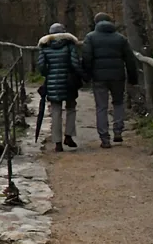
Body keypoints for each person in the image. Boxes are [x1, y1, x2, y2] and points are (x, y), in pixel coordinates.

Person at [82, 12, 139, 148]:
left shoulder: (90, 38)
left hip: (98, 77)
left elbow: (87, 58)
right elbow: (130, 59)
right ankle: (118, 130)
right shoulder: (120, 38)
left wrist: (86, 75)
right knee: (118, 103)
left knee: (101, 106)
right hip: (118, 76)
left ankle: (104, 137)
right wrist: (133, 77)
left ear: (96, 23)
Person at [37, 22, 82, 152]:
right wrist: (79, 75)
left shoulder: (45, 47)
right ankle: (68, 135)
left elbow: (41, 67)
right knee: (71, 108)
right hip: (69, 82)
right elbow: (75, 63)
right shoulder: (69, 45)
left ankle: (57, 142)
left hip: (52, 82)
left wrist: (48, 74)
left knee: (56, 111)